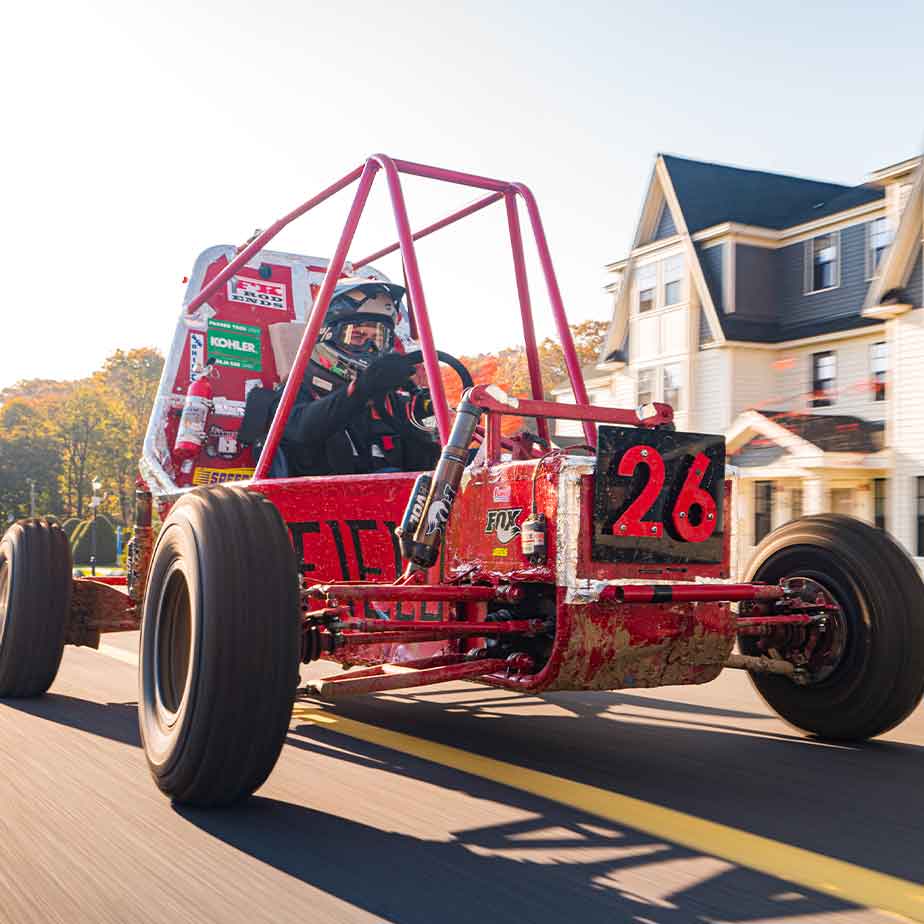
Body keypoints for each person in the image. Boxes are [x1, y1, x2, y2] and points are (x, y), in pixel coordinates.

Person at [246, 277, 439, 477]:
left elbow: (428, 465)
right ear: (325, 335)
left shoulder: (392, 403)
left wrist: (429, 420)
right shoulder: (293, 393)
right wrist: (363, 388)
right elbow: (304, 429)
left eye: (378, 339)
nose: (370, 348)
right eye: (357, 336)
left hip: (395, 503)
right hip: (315, 503)